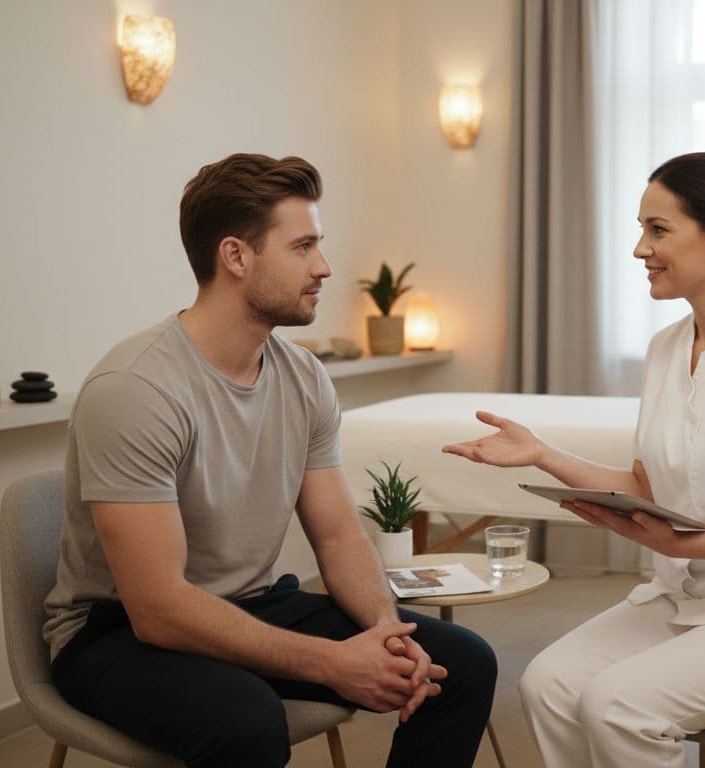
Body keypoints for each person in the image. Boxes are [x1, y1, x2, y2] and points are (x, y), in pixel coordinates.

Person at [43, 153, 496, 768]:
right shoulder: (136, 388)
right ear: (236, 256)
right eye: (303, 247)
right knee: (249, 723)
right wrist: (335, 662)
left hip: (250, 601)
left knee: (461, 664)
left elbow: (337, 536)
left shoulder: (304, 377)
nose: (324, 267)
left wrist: (387, 633)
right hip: (116, 632)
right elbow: (157, 609)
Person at [443, 152, 705, 767]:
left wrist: (683, 547)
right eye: (641, 229)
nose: (640, 248)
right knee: (548, 685)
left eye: (658, 230)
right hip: (684, 600)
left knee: (619, 705)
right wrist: (541, 454)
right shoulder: (666, 350)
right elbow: (646, 484)